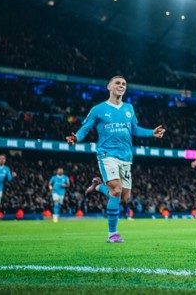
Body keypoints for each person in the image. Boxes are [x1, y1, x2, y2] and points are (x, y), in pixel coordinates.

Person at [67, 75, 165, 243]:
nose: (121, 85)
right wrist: (76, 138)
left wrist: (151, 133)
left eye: (124, 84)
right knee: (117, 190)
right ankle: (113, 234)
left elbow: (134, 129)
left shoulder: (129, 108)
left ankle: (98, 186)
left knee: (124, 198)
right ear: (109, 87)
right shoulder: (98, 109)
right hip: (107, 154)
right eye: (117, 83)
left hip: (126, 156)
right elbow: (85, 128)